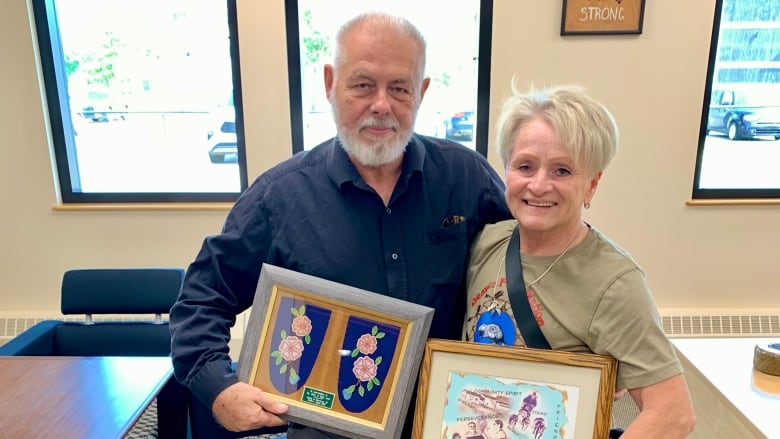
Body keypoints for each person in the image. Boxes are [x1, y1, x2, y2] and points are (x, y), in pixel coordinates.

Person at [169, 11, 511, 439]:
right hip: (325, 429)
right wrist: (220, 389)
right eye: (363, 84)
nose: (381, 105)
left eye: (400, 88)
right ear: (331, 84)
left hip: (449, 424)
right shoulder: (279, 197)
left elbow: (533, 263)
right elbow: (202, 299)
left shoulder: (467, 179)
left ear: (421, 92)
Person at [463, 84, 696, 438]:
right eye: (525, 166)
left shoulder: (614, 281)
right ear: (506, 171)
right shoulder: (486, 243)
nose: (539, 185)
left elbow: (674, 413)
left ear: (591, 185)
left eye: (562, 171)